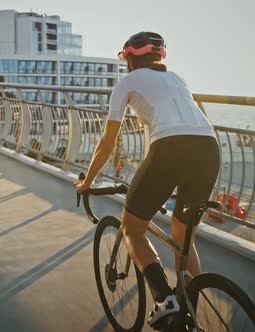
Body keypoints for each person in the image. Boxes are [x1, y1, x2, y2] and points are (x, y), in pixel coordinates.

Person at [74, 32, 220, 330]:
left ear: (129, 58)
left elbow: (107, 140)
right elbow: (171, 122)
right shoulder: (178, 80)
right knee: (184, 238)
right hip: (209, 148)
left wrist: (87, 181)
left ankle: (166, 300)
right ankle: (187, 312)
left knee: (132, 229)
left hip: (169, 149)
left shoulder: (126, 83)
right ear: (159, 57)